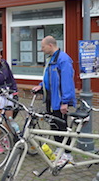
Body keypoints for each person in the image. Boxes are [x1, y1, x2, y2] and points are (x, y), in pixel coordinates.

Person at [32, 36, 76, 165]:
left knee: (62, 126)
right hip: (51, 99)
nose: (41, 49)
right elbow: (49, 77)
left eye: (43, 46)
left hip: (59, 100)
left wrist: (65, 102)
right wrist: (41, 85)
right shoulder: (51, 59)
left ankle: (68, 154)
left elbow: (67, 82)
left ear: (50, 45)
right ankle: (59, 149)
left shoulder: (63, 59)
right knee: (54, 125)